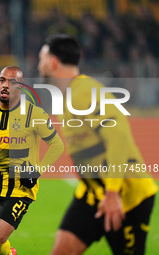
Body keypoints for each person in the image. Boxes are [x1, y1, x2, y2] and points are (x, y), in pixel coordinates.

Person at [38, 34, 158, 255]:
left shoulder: (86, 92)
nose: (39, 65)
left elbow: (118, 137)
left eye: (42, 59)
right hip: (93, 194)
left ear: (53, 62)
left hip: (126, 196)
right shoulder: (68, 95)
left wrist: (113, 193)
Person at [0, 66, 64, 255]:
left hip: (19, 188)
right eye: (2, 80)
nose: (5, 85)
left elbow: (57, 145)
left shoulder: (34, 114)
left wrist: (36, 171)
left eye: (12, 82)